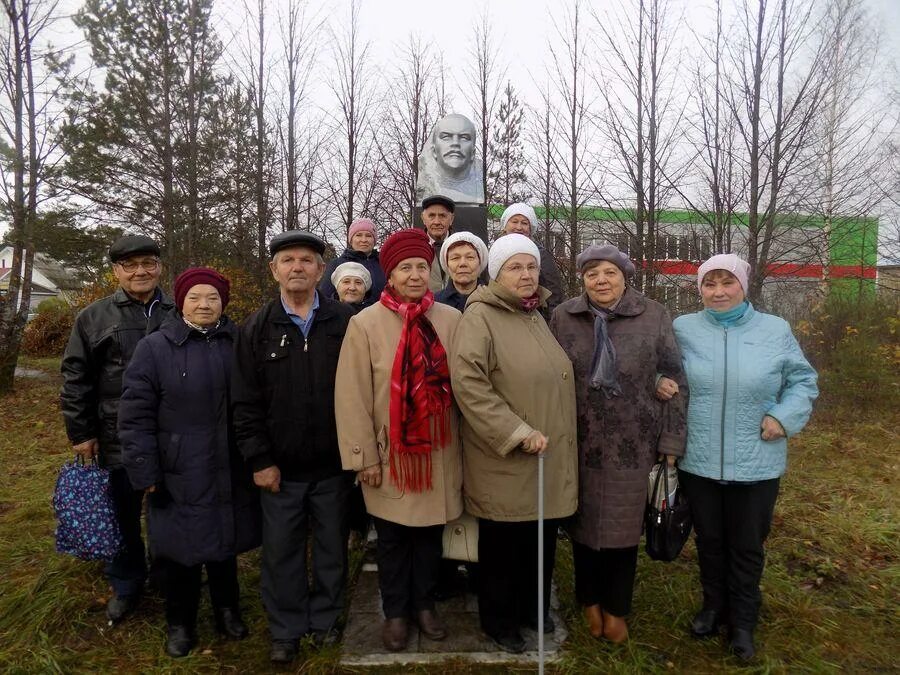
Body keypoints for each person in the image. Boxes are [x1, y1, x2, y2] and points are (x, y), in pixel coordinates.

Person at [664, 253, 818, 661]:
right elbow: (664, 369)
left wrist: (783, 417)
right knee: (710, 541)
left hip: (757, 459)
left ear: (743, 286)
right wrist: (661, 381)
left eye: (726, 283)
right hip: (699, 458)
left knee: (747, 545)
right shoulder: (684, 328)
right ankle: (714, 607)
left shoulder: (775, 330)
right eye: (708, 284)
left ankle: (744, 622)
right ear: (699, 290)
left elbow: (803, 381)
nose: (717, 292)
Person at [119, 267, 260, 658]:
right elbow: (134, 415)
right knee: (180, 549)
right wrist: (144, 468)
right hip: (178, 467)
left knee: (223, 543)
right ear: (180, 302)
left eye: (212, 298)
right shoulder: (156, 347)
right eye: (195, 297)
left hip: (228, 463)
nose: (204, 305)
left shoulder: (237, 342)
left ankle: (226, 609)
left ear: (223, 303)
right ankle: (180, 622)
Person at [549, 244, 687, 643]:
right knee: (583, 527)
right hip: (580, 440)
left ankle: (617, 608)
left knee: (623, 532)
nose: (601, 281)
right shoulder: (564, 316)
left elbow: (676, 378)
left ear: (625, 276)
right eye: (592, 274)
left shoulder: (653, 315)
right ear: (583, 280)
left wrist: (671, 440)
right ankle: (589, 601)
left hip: (634, 442)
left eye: (609, 272)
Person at [335, 228, 463, 652]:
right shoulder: (365, 323)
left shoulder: (451, 320)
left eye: (421, 267)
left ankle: (424, 605)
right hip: (391, 454)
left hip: (438, 451)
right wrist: (363, 457)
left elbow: (468, 387)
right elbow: (351, 396)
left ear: (432, 272)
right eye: (404, 268)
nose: (414, 275)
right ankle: (395, 612)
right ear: (388, 275)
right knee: (391, 540)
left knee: (429, 536)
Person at [231, 231, 355, 664]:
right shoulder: (256, 328)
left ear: (322, 270)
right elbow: (244, 402)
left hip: (334, 466)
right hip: (279, 470)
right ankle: (285, 628)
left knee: (330, 550)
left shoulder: (344, 322)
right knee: (281, 552)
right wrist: (260, 459)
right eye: (288, 260)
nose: (297, 267)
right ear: (274, 270)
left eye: (306, 260)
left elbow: (363, 392)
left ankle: (325, 621)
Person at [451, 233, 578, 654]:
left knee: (539, 536)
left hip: (544, 455)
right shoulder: (481, 316)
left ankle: (532, 608)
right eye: (514, 267)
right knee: (505, 544)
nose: (526, 275)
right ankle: (499, 620)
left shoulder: (535, 313)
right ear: (497, 274)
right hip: (505, 455)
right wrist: (515, 432)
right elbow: (470, 385)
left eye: (531, 266)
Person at [60, 234, 175, 625]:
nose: (141, 271)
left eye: (148, 263)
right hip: (117, 435)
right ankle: (127, 582)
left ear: (159, 267)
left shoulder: (179, 310)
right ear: (116, 271)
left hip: (172, 434)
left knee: (168, 510)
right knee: (122, 511)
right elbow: (76, 378)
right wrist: (81, 433)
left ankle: (168, 574)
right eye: (131, 265)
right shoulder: (94, 317)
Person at [498, 203, 566, 319]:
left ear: (530, 229)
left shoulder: (540, 255)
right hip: (500, 315)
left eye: (524, 223)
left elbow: (554, 295)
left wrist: (552, 324)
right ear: (505, 226)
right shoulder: (496, 252)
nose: (519, 227)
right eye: (514, 221)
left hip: (533, 317)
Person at [415, 113, 485, 205]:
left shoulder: (476, 191)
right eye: (446, 137)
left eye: (464, 137)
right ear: (434, 150)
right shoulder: (428, 189)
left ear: (473, 152)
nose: (455, 143)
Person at [319, 218, 386, 308]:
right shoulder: (336, 264)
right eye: (358, 235)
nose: (364, 240)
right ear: (351, 239)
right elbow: (324, 297)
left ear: (374, 240)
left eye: (368, 236)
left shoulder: (384, 264)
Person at [434, 231, 489, 312]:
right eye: (455, 258)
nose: (463, 263)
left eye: (470, 257)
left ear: (480, 262)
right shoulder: (435, 303)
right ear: (447, 264)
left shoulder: (492, 301)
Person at [420, 194, 456, 293]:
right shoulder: (415, 248)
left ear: (451, 219)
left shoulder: (463, 246)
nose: (437, 222)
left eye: (442, 216)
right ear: (423, 218)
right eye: (431, 216)